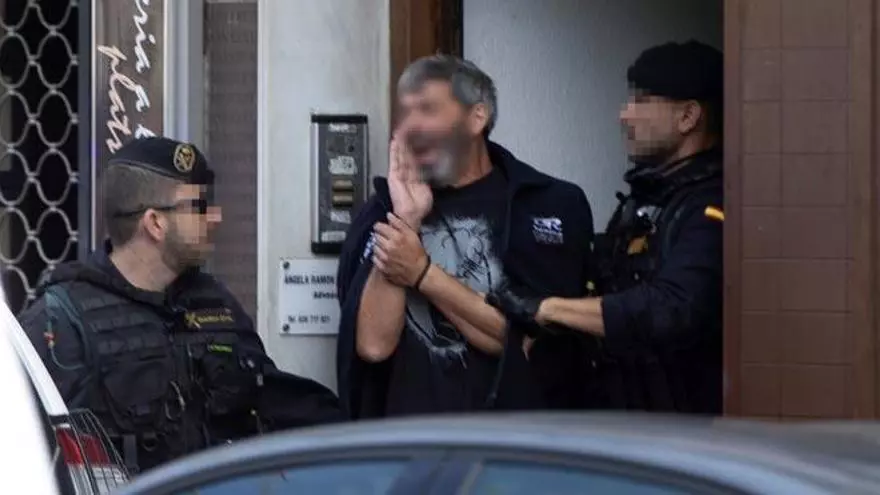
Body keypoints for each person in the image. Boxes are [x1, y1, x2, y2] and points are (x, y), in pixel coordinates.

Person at [18, 137, 341, 473]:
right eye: (199, 207)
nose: (215, 217)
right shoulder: (62, 320)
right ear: (155, 223)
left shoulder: (213, 302)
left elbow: (275, 400)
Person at [336, 55, 596, 418]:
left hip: (513, 440)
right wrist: (406, 219)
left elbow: (525, 342)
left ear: (477, 117)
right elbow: (373, 347)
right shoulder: (382, 210)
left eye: (428, 109)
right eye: (405, 113)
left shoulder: (547, 204)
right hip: (409, 440)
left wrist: (423, 274)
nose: (411, 125)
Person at [490, 40, 725, 414]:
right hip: (624, 418)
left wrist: (548, 309)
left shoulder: (711, 206)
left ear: (688, 116)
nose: (624, 116)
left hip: (685, 429)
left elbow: (674, 306)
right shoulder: (646, 200)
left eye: (641, 102)